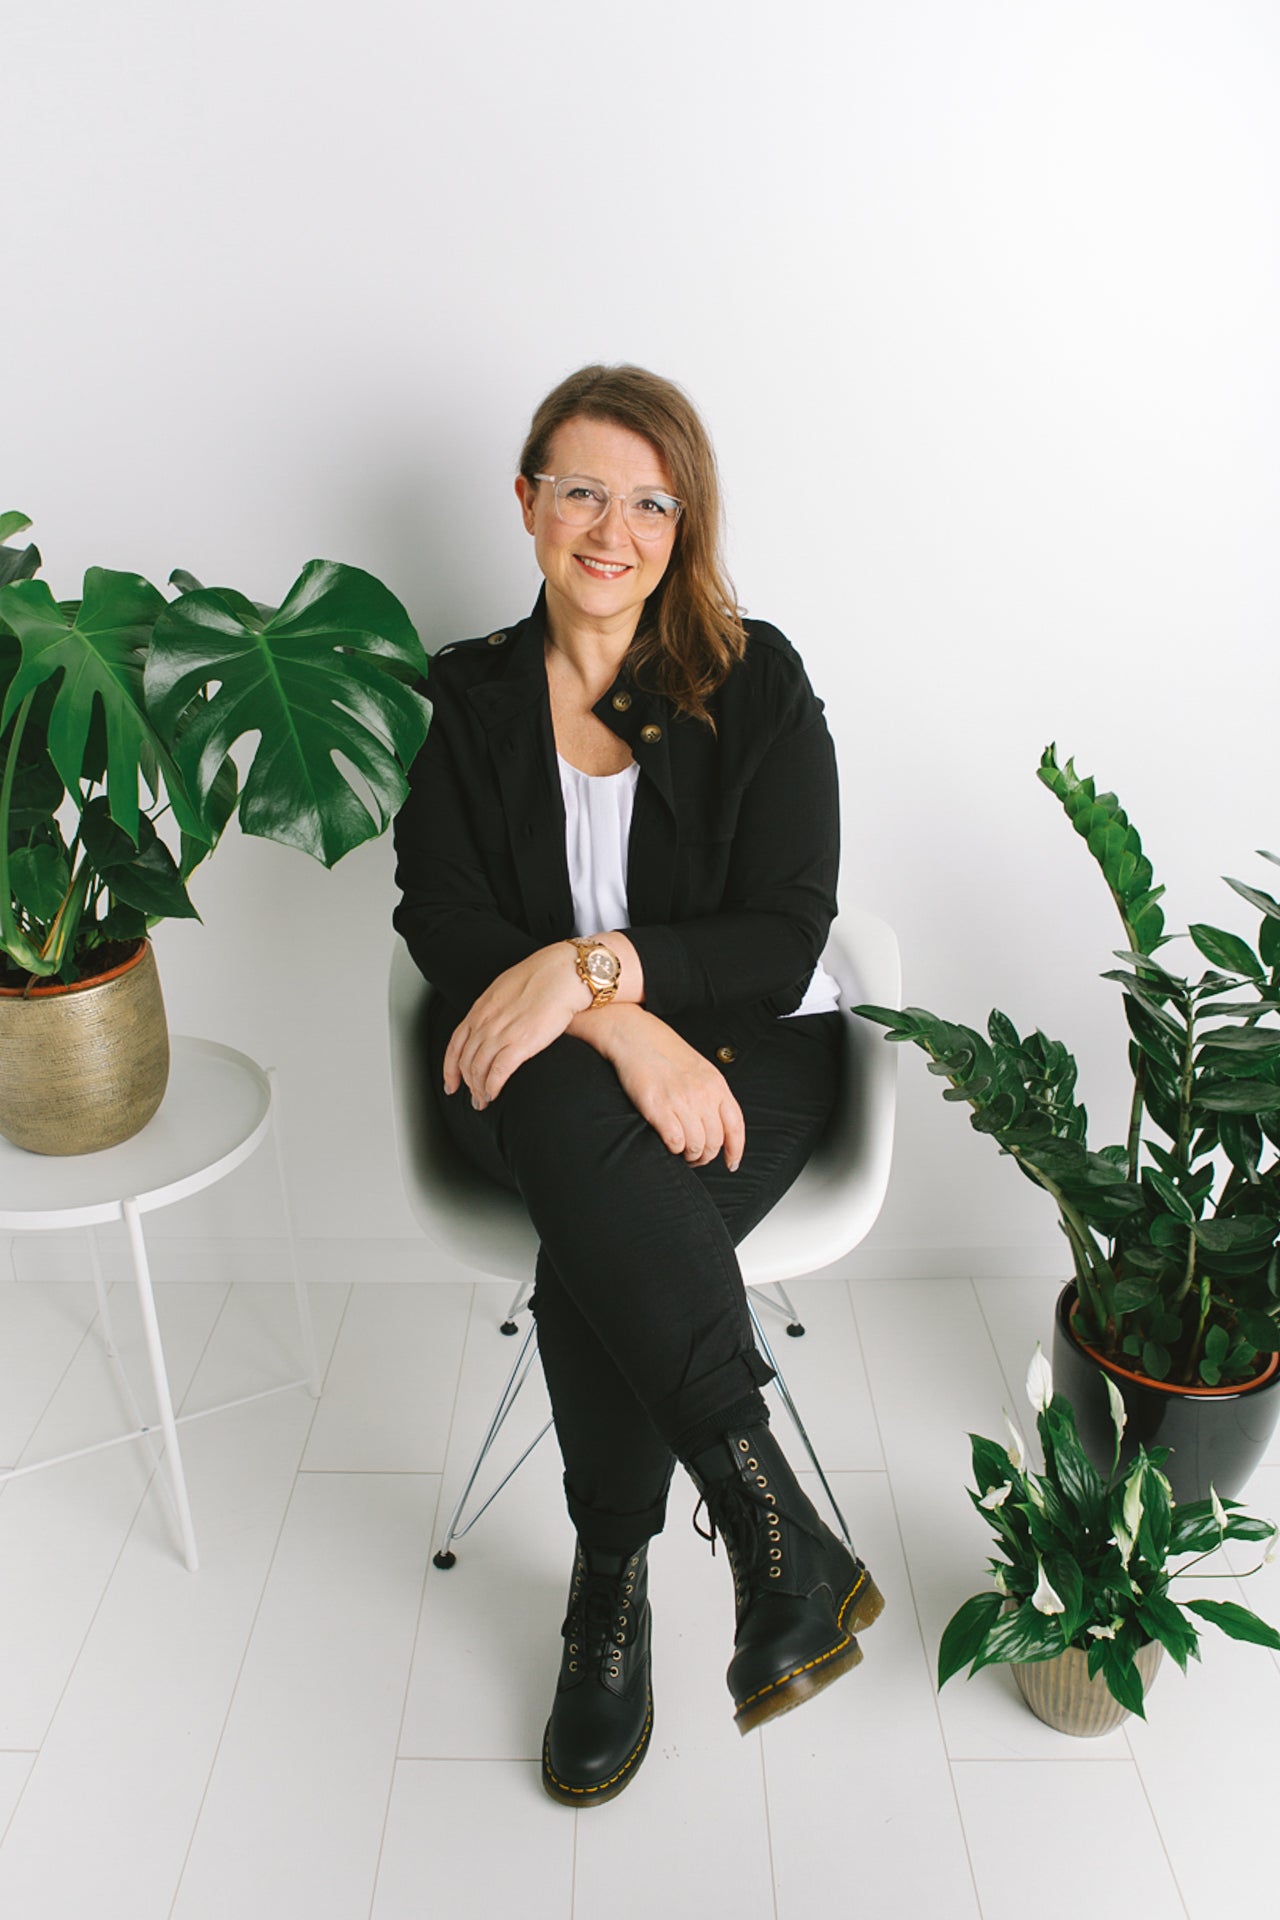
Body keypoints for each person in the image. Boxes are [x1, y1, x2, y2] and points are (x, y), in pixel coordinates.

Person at [393, 364, 882, 1806]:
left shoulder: (758, 676)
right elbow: (446, 916)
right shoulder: (467, 696)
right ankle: (763, 1518)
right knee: (557, 1096)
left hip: (758, 1062)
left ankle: (612, 1583)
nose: (616, 528)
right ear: (530, 501)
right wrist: (609, 1022)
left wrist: (589, 974)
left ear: (686, 521)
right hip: (543, 1068)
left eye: (652, 499)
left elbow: (788, 930)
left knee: (589, 1239)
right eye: (586, 490)